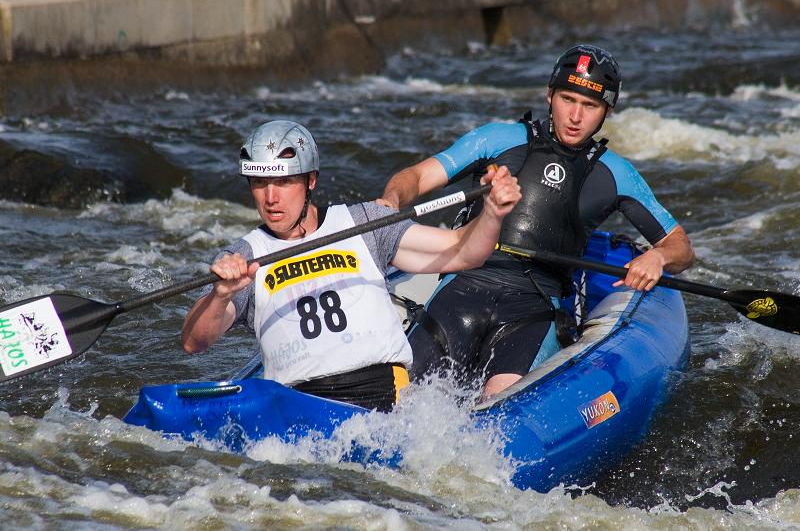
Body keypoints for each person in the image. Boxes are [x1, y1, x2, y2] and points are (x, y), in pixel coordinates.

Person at [378, 44, 695, 400]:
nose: (575, 116)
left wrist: (658, 257)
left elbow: (679, 245)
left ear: (607, 110)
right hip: (463, 284)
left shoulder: (616, 174)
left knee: (499, 407)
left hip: (533, 307)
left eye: (589, 106)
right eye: (567, 99)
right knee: (405, 401)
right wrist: (391, 202)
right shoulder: (498, 139)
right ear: (549, 95)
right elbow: (416, 178)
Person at [181, 120, 521, 412]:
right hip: (299, 404)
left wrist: (493, 213)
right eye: (260, 183)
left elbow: (463, 252)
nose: (271, 198)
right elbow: (195, 342)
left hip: (383, 394)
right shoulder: (244, 256)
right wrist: (221, 295)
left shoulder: (366, 222)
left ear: (310, 181)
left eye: (284, 182)